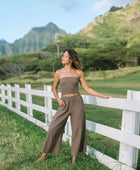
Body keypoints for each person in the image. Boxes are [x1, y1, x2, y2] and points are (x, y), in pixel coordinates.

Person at [35, 49, 112, 164]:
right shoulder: (58, 73)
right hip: (64, 102)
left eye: (65, 56)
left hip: (77, 103)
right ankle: (44, 154)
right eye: (63, 56)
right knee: (53, 128)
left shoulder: (78, 72)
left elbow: (87, 89)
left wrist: (103, 95)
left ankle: (74, 159)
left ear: (71, 59)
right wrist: (59, 100)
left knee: (77, 130)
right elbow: (54, 89)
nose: (63, 58)